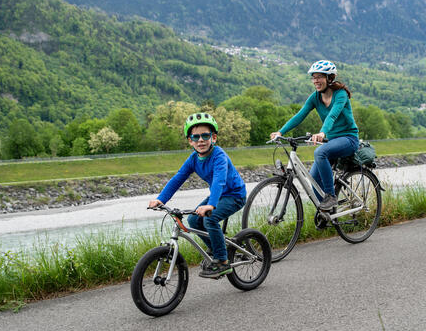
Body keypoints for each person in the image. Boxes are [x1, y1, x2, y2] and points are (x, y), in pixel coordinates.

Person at [148, 113, 246, 278]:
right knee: (193, 220)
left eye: (205, 135)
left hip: (234, 195)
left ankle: (222, 261)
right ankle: (217, 248)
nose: (200, 140)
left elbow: (219, 182)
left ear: (213, 138)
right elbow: (177, 178)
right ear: (190, 141)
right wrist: (160, 199)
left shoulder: (219, 156)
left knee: (210, 219)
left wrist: (211, 204)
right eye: (196, 136)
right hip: (219, 196)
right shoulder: (193, 159)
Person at [270, 60, 359, 210]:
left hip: (348, 139)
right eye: (313, 77)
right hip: (331, 141)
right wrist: (280, 131)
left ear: (329, 78)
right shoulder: (315, 97)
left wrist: (322, 132)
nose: (315, 81)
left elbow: (332, 116)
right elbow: (299, 115)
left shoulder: (341, 94)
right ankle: (328, 212)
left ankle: (330, 196)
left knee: (320, 152)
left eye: (319, 77)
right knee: (313, 179)